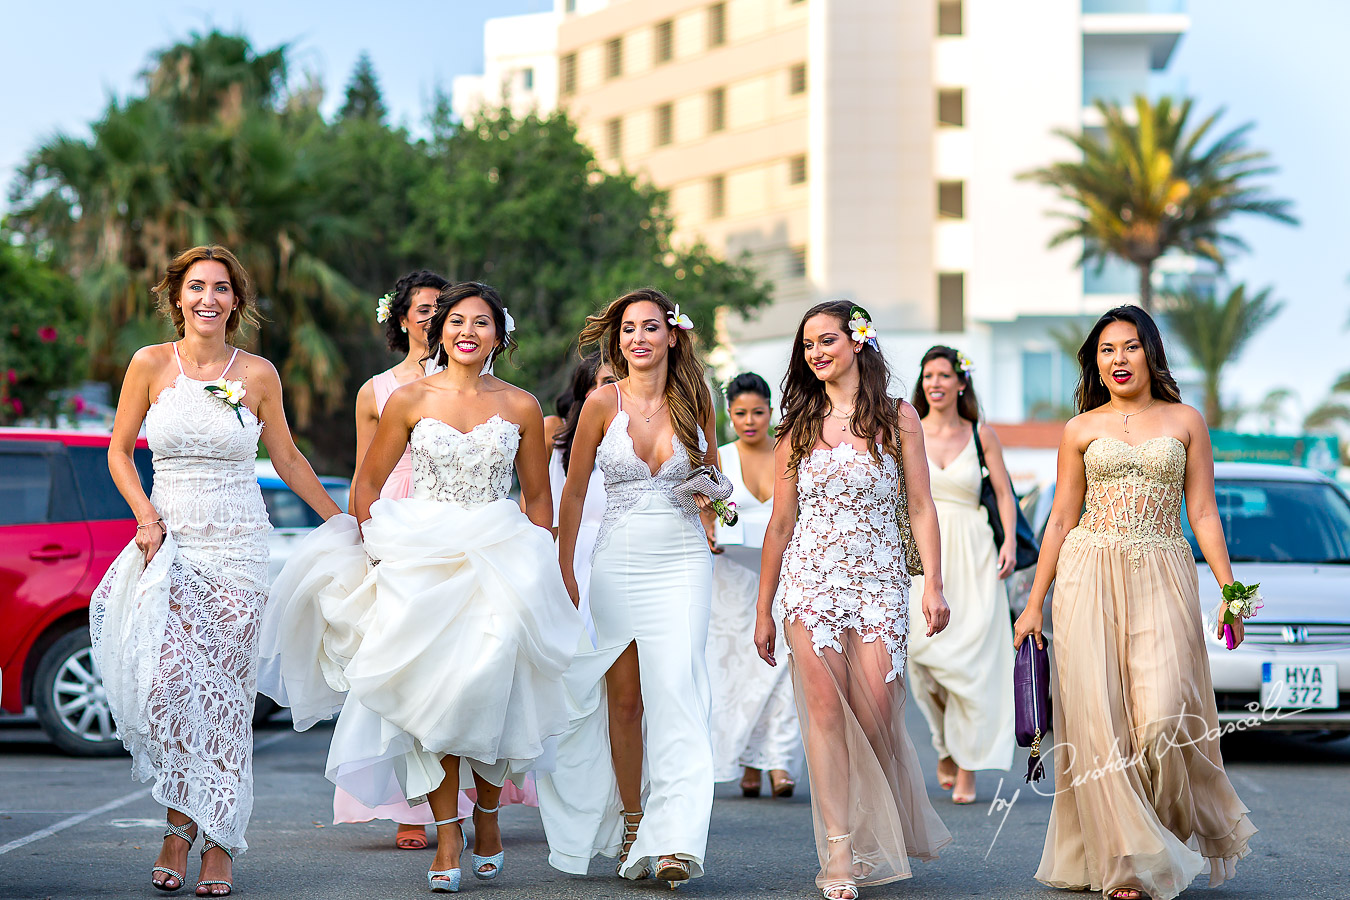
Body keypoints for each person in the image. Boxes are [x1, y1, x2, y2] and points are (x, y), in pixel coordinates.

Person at [90, 245, 342, 897]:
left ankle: (219, 839)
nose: (208, 298)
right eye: (197, 287)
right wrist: (144, 515)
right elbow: (119, 453)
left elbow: (286, 459)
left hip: (238, 549)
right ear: (177, 297)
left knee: (227, 703)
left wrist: (340, 519)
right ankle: (178, 825)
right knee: (171, 688)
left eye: (221, 288)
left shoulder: (257, 374)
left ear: (237, 301)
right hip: (170, 544)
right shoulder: (149, 364)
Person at [318, 281, 582, 892]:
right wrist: (375, 551)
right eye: (456, 320)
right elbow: (369, 483)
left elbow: (539, 499)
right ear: (438, 332)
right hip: (421, 558)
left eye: (482, 322)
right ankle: (445, 833)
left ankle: (486, 815)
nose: (468, 331)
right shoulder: (408, 400)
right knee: (433, 696)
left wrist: (542, 567)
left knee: (493, 684)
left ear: (499, 334)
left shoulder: (518, 406)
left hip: (500, 554)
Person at [1013, 305, 1256, 900]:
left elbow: (1202, 512)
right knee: (1101, 724)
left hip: (1164, 572)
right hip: (1087, 573)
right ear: (1095, 363)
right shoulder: (1081, 429)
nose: (1117, 360)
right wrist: (1033, 603)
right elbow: (1062, 517)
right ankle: (1128, 863)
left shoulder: (1185, 420)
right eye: (1106, 351)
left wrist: (1231, 592)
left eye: (1128, 347)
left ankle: (1162, 838)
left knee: (1163, 716)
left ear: (1150, 352)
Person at [755, 300, 953, 900]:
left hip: (878, 583)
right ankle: (838, 854)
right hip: (810, 584)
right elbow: (780, 523)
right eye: (807, 345)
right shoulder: (796, 428)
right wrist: (764, 607)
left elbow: (920, 505)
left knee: (874, 719)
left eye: (827, 341)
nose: (816, 353)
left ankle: (875, 835)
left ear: (857, 342)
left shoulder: (898, 417)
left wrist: (934, 586)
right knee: (823, 717)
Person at [538, 288, 720, 887]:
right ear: (616, 341)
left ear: (672, 334)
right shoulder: (597, 404)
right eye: (626, 329)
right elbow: (573, 491)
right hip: (616, 563)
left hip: (684, 560)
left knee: (679, 691)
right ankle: (633, 820)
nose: (637, 338)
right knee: (625, 701)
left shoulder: (697, 399)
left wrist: (714, 501)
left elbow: (713, 479)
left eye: (649, 327)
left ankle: (676, 839)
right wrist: (564, 568)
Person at [338, 268, 447, 848]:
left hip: (450, 526)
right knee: (401, 667)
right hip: (395, 529)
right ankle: (411, 804)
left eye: (441, 308)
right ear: (401, 318)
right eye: (422, 308)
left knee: (451, 665)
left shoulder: (470, 385)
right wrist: (366, 542)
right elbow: (364, 476)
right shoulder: (375, 391)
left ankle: (463, 801)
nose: (431, 317)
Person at [906, 346, 1017, 804]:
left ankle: (967, 766)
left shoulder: (980, 435)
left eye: (944, 375)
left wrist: (1009, 540)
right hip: (925, 556)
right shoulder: (906, 430)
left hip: (975, 554)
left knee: (974, 665)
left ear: (960, 383)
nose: (935, 383)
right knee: (920, 659)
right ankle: (945, 743)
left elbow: (1005, 494)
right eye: (928, 375)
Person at [706, 372, 803, 798]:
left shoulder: (788, 452)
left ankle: (780, 761)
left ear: (771, 412)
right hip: (731, 578)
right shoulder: (720, 458)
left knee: (784, 666)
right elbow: (700, 508)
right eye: (740, 413)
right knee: (740, 672)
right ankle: (747, 759)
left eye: (758, 412)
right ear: (730, 415)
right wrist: (709, 529)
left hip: (783, 574)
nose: (750, 421)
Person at [547, 351, 618, 643]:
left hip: (622, 554)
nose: (611, 390)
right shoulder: (566, 447)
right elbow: (554, 518)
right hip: (576, 554)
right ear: (587, 392)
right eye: (604, 382)